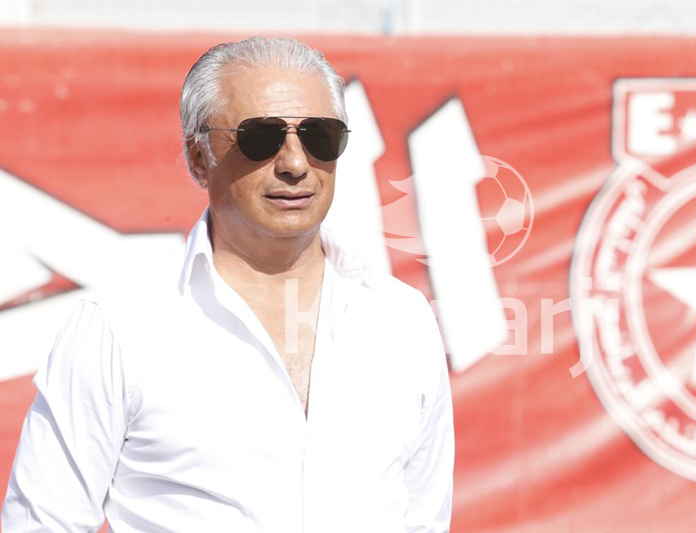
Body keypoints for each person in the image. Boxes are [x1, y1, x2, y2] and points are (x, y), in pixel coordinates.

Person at [2, 36, 454, 532]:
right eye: (261, 137)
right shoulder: (120, 328)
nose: (295, 163)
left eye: (320, 136)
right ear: (199, 157)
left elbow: (424, 520)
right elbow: (42, 522)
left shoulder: (402, 320)